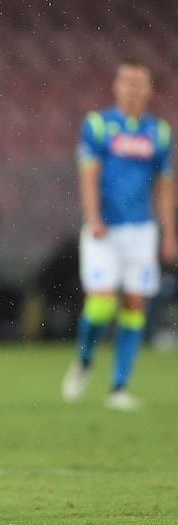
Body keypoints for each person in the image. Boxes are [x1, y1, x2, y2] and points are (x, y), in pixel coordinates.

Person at [62, 58, 176, 411]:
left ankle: (119, 387)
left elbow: (163, 185)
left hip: (141, 230)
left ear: (148, 89)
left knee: (135, 304)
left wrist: (169, 232)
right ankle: (83, 361)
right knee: (100, 303)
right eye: (125, 81)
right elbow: (89, 174)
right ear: (116, 86)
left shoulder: (158, 132)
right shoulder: (98, 125)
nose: (131, 88)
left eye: (138, 82)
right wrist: (93, 217)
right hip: (105, 229)